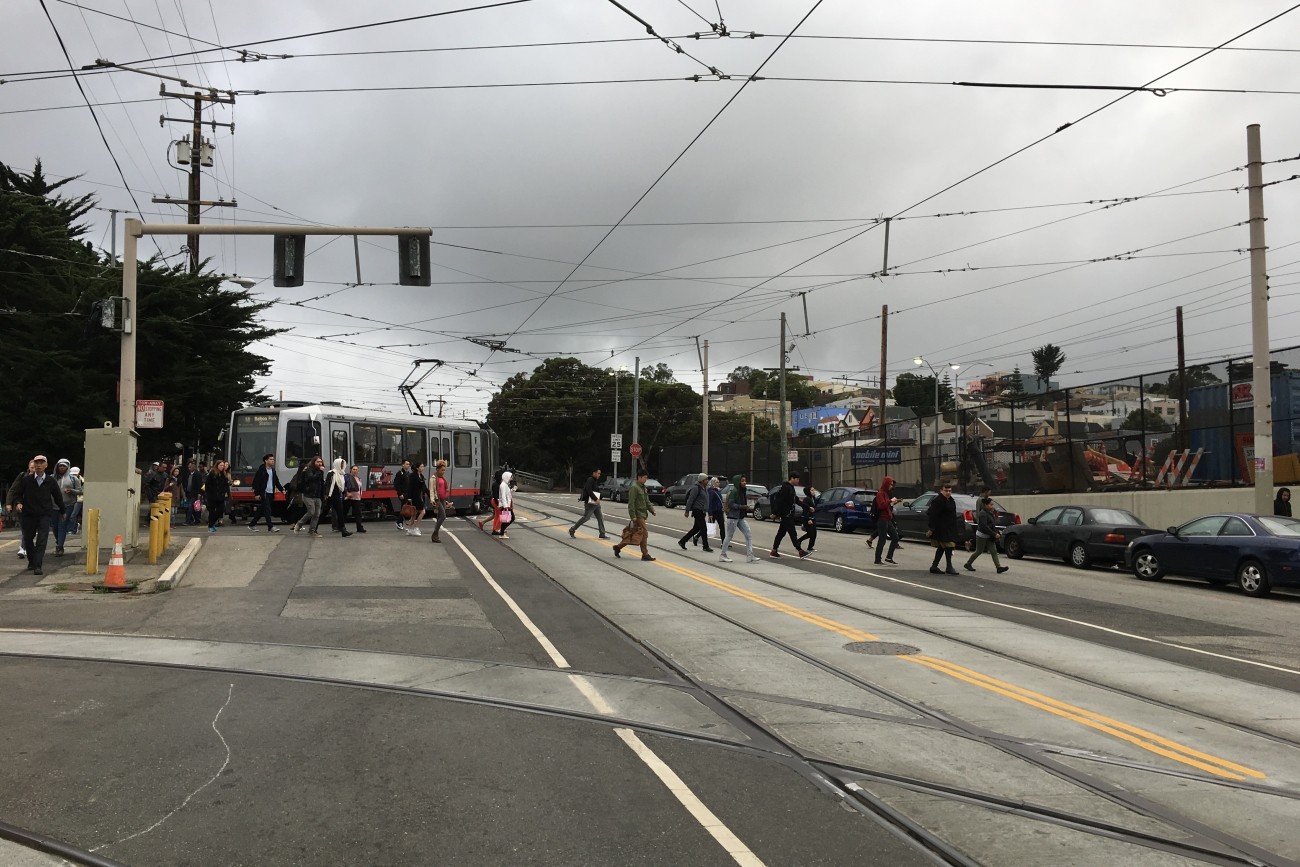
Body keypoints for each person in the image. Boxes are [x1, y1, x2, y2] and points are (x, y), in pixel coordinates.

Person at [15, 455, 64, 576]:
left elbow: (58, 497)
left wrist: (63, 511)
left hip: (44, 514)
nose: (39, 465)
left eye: (42, 463)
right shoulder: (27, 480)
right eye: (37, 463)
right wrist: (18, 503)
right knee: (28, 538)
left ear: (46, 465)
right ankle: (32, 560)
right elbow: (18, 494)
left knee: (42, 540)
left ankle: (38, 565)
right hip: (29, 514)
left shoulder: (50, 481)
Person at [613, 468, 655, 561]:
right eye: (644, 477)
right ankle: (645, 554)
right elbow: (631, 503)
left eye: (646, 478)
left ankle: (618, 547)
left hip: (643, 514)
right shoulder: (634, 488)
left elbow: (646, 500)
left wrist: (651, 510)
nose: (645, 479)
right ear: (639, 477)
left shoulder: (643, 488)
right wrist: (633, 516)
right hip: (638, 515)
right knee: (644, 534)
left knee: (633, 534)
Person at [768, 471, 808, 559]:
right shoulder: (786, 487)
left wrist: (807, 507)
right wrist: (775, 513)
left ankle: (774, 551)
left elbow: (796, 500)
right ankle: (800, 551)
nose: (798, 481)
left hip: (789, 514)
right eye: (797, 479)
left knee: (781, 533)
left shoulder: (791, 488)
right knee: (792, 533)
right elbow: (780, 501)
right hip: (786, 515)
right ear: (792, 478)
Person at [720, 474, 759, 563]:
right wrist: (742, 507)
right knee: (729, 536)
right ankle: (723, 554)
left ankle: (750, 554)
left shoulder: (742, 491)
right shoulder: (734, 491)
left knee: (748, 534)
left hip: (740, 517)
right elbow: (731, 504)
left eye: (745, 481)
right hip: (733, 517)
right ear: (738, 482)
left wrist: (744, 508)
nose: (744, 482)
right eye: (742, 481)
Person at [964, 497, 1009, 574]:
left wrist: (996, 533)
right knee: (979, 551)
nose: (992, 506)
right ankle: (968, 564)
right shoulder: (983, 513)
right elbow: (984, 527)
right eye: (991, 504)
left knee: (994, 551)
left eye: (992, 504)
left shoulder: (990, 512)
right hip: (982, 536)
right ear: (986, 505)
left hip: (989, 536)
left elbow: (992, 525)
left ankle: (998, 567)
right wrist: (994, 534)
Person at [926, 483, 962, 575]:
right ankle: (949, 567)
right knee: (949, 546)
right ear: (941, 490)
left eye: (950, 491)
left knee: (942, 547)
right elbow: (932, 515)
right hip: (941, 529)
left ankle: (934, 566)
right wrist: (931, 528)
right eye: (946, 491)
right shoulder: (938, 501)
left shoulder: (950, 500)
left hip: (949, 528)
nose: (948, 492)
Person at [248, 454, 284, 532]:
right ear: (266, 461)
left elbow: (276, 481)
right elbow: (256, 483)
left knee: (262, 510)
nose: (273, 461)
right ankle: (270, 527)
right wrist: (257, 494)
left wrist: (282, 489)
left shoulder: (273, 470)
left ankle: (252, 524)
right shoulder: (261, 471)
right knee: (267, 510)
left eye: (273, 459)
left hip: (271, 492)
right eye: (271, 459)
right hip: (263, 492)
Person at [570, 467, 608, 539]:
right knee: (586, 518)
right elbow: (589, 490)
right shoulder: (590, 480)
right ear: (594, 473)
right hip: (590, 503)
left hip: (595, 504)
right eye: (598, 473)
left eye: (600, 473)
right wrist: (596, 499)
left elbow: (595, 491)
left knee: (600, 517)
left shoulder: (595, 481)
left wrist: (600, 497)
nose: (599, 475)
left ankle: (602, 533)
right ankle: (572, 529)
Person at [52, 459, 81, 555]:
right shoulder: (52, 478)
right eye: (60, 466)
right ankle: (59, 541)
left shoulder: (73, 479)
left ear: (68, 467)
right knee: (55, 526)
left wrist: (71, 490)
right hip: (54, 506)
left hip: (68, 505)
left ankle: (59, 547)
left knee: (62, 525)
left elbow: (80, 491)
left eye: (64, 466)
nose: (62, 468)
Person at [8, 459, 35, 560]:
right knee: (25, 528)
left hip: (35, 508)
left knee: (29, 529)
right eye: (31, 467)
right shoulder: (23, 477)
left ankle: (26, 547)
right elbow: (13, 490)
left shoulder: (41, 478)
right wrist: (9, 503)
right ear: (28, 467)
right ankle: (24, 547)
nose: (33, 469)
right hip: (22, 506)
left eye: (35, 467)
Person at [292, 456, 326, 536]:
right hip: (308, 494)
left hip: (317, 496)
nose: (319, 463)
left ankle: (312, 530)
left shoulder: (320, 472)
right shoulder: (309, 470)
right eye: (318, 462)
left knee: (317, 514)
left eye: (320, 462)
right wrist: (320, 472)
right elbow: (311, 478)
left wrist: (323, 494)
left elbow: (321, 484)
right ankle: (299, 524)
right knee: (311, 511)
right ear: (313, 462)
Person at [678, 473, 711, 552]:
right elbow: (690, 500)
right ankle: (705, 546)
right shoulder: (696, 488)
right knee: (704, 528)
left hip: (702, 511)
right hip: (697, 511)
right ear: (702, 481)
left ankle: (682, 541)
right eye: (706, 480)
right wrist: (687, 511)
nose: (707, 481)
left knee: (696, 529)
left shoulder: (705, 488)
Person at [873, 476, 901, 566]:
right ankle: (877, 559)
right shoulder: (880, 493)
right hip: (882, 519)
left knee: (895, 537)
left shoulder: (886, 493)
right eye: (890, 484)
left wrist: (892, 503)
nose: (891, 486)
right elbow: (881, 506)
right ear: (886, 484)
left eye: (892, 484)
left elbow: (887, 506)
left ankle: (889, 557)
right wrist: (890, 501)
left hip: (887, 518)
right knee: (882, 539)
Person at [322, 458, 351, 536]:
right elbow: (327, 484)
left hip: (337, 496)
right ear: (337, 464)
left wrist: (345, 493)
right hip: (330, 496)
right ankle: (314, 527)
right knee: (324, 512)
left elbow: (341, 486)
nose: (342, 465)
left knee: (340, 513)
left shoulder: (341, 474)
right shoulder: (331, 473)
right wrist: (325, 495)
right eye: (340, 464)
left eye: (342, 464)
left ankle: (343, 531)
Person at [204, 460, 232, 533]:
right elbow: (207, 484)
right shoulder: (212, 473)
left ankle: (211, 523)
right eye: (221, 465)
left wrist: (228, 495)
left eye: (223, 465)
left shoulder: (224, 474)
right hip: (212, 496)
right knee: (212, 511)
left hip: (221, 496)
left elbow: (226, 486)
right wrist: (209, 492)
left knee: (221, 510)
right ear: (217, 466)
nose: (222, 467)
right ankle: (211, 526)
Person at [406, 462, 429, 536]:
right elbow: (410, 487)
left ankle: (410, 529)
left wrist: (430, 495)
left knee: (414, 513)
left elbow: (424, 487)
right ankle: (416, 528)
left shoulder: (421, 476)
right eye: (421, 466)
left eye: (423, 466)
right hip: (415, 497)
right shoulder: (412, 476)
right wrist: (409, 497)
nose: (423, 468)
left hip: (419, 496)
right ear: (417, 468)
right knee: (423, 512)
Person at [795, 485, 819, 554]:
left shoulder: (813, 498)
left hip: (813, 518)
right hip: (806, 518)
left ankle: (810, 547)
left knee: (814, 533)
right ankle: (799, 540)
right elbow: (805, 509)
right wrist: (808, 519)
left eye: (814, 490)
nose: (814, 491)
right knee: (810, 533)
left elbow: (814, 508)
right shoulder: (807, 499)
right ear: (808, 492)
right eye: (812, 490)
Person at [343, 465, 367, 534]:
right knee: (344, 512)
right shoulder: (347, 477)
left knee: (358, 513)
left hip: (357, 498)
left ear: (358, 471)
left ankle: (359, 527)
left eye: (356, 469)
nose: (355, 470)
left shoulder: (358, 478)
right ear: (350, 470)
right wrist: (347, 493)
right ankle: (341, 526)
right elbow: (343, 486)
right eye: (354, 469)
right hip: (349, 498)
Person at [431, 460, 451, 543]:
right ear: (437, 469)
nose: (443, 472)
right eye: (442, 470)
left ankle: (435, 536)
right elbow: (432, 490)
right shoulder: (433, 478)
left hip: (443, 499)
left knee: (439, 517)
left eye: (444, 470)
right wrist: (432, 500)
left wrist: (447, 501)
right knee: (443, 516)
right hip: (437, 499)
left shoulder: (442, 478)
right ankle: (435, 533)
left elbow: (444, 489)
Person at [64, 466, 85, 537]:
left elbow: (82, 491)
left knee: (73, 515)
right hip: (71, 499)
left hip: (79, 499)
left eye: (75, 474)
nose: (74, 475)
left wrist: (71, 490)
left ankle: (71, 529)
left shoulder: (82, 480)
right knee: (69, 515)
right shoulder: (68, 479)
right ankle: (73, 526)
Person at [393, 459, 413, 531]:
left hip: (407, 493)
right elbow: (396, 484)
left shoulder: (408, 473)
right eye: (407, 464)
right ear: (403, 465)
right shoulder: (399, 473)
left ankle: (400, 523)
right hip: (402, 494)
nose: (408, 465)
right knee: (404, 508)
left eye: (409, 464)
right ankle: (399, 522)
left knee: (404, 508)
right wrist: (400, 493)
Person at [706, 477, 725, 546]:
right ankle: (699, 537)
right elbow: (709, 503)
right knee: (710, 527)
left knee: (722, 526)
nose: (718, 483)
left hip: (719, 511)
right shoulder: (711, 491)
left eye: (718, 482)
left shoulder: (718, 490)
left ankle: (724, 542)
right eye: (717, 482)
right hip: (713, 512)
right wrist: (710, 513)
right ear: (713, 483)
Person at [183, 459, 203, 525]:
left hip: (194, 493)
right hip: (188, 493)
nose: (189, 468)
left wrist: (199, 493)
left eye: (190, 467)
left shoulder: (197, 474)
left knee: (190, 507)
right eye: (188, 467)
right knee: (190, 507)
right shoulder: (188, 474)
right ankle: (196, 519)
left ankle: (188, 521)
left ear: (194, 466)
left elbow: (199, 484)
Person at [497, 471, 514, 538]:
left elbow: (508, 494)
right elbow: (503, 496)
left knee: (506, 519)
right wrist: (506, 506)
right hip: (505, 505)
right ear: (507, 477)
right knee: (510, 518)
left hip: (506, 505)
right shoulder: (503, 485)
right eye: (510, 477)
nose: (511, 478)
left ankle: (502, 532)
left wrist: (512, 490)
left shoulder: (505, 484)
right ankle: (501, 532)